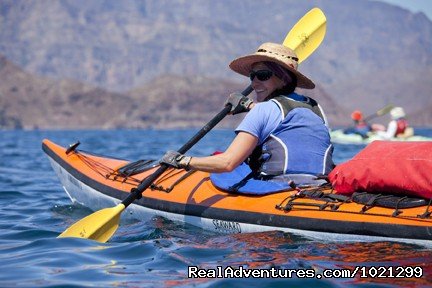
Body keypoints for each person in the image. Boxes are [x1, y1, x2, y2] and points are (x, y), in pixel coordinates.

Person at [160, 42, 334, 186]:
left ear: (284, 78)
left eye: (263, 75)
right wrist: (251, 106)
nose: (255, 82)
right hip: (319, 187)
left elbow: (227, 163)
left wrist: (183, 161)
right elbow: (285, 118)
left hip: (277, 190)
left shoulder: (263, 110)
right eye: (252, 76)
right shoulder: (316, 109)